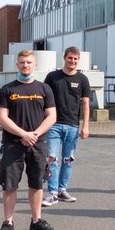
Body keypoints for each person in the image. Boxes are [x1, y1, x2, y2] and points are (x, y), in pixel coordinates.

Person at [0, 49, 57, 230]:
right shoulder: (7, 89)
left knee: (37, 183)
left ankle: (36, 220)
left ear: (35, 65)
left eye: (29, 62)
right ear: (17, 65)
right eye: (22, 62)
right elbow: (1, 118)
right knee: (9, 185)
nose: (25, 65)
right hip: (13, 144)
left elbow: (52, 115)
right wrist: (23, 134)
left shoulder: (44, 89)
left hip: (38, 143)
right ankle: (8, 222)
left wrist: (34, 134)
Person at [41, 47, 90, 207]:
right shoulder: (52, 77)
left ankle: (62, 190)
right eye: (70, 58)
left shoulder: (82, 79)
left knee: (68, 160)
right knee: (52, 159)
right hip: (53, 125)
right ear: (64, 58)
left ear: (78, 60)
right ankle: (52, 193)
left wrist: (85, 126)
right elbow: (43, 100)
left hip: (73, 126)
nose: (72, 61)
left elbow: (85, 104)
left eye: (75, 59)